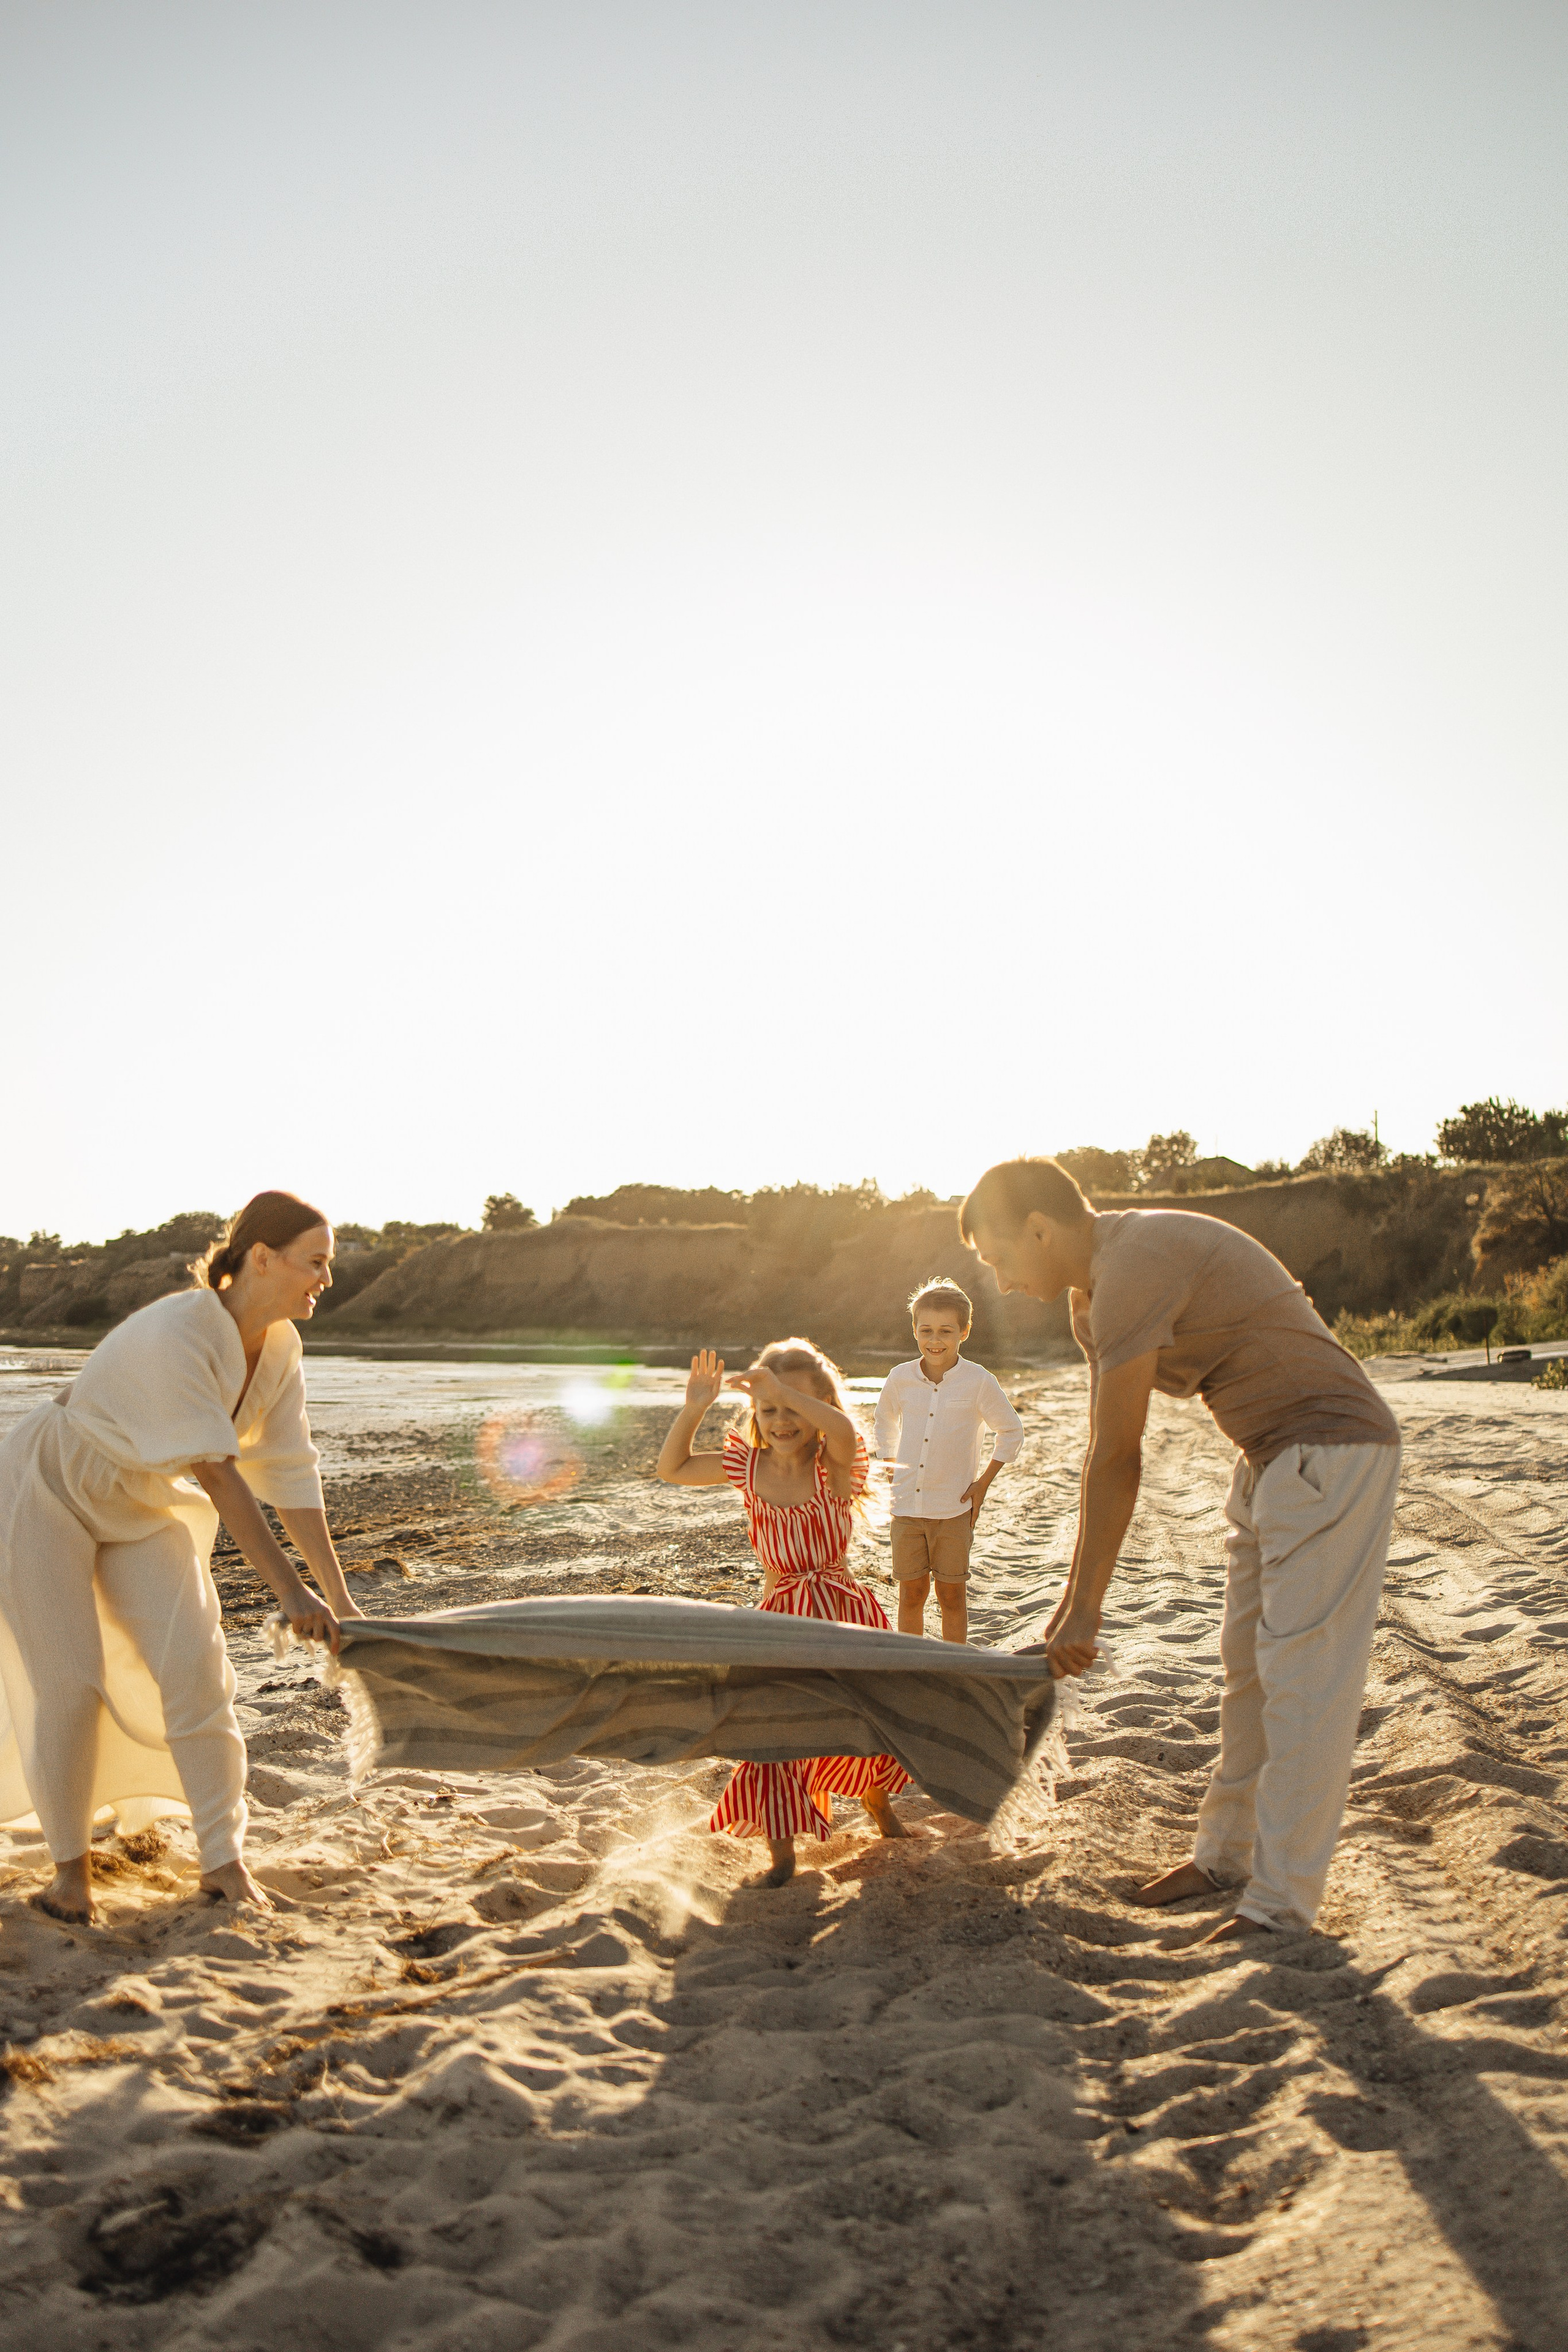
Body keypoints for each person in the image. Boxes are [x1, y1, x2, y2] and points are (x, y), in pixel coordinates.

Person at [960, 1156, 1401, 1943]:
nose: (998, 1281)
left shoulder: (1135, 1262)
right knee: (1247, 1672)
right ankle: (1225, 1860)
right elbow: (1106, 1448)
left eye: (998, 1258)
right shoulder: (1091, 1301)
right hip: (1268, 1459)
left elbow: (1118, 1456)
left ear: (1039, 1228)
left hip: (1331, 1454)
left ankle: (1278, 1905)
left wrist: (1085, 1610)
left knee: (1303, 1680)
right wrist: (1066, 1612)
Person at [0, 1191, 363, 1924]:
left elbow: (290, 1474)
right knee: (70, 1685)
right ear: (261, 1259)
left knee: (198, 1670)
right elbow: (218, 1472)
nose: (326, 1279)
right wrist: (291, 1594)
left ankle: (224, 1863)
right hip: (48, 1488)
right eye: (316, 1262)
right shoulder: (180, 1329)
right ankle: (70, 1875)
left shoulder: (282, 1347)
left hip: (139, 1504)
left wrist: (340, 1596)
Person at [656, 1339, 911, 1886]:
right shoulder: (747, 1467)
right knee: (772, 1728)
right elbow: (672, 1468)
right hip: (780, 1618)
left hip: (846, 1613)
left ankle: (878, 1805)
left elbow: (843, 1431)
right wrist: (695, 1405)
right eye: (768, 1409)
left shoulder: (836, 1464)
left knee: (860, 1717)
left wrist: (781, 1390)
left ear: (821, 1409)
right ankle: (782, 1851)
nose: (781, 1419)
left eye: (796, 1407)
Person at [873, 1280, 1023, 1644]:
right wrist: (891, 1469)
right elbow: (884, 1421)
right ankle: (913, 1668)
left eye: (946, 1331)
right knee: (911, 1594)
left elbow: (1011, 1431)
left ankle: (953, 1670)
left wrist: (983, 1483)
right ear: (914, 1331)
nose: (935, 1340)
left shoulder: (978, 1381)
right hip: (906, 1505)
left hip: (954, 1508)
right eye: (926, 1331)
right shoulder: (900, 1377)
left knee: (951, 1596)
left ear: (964, 1332)